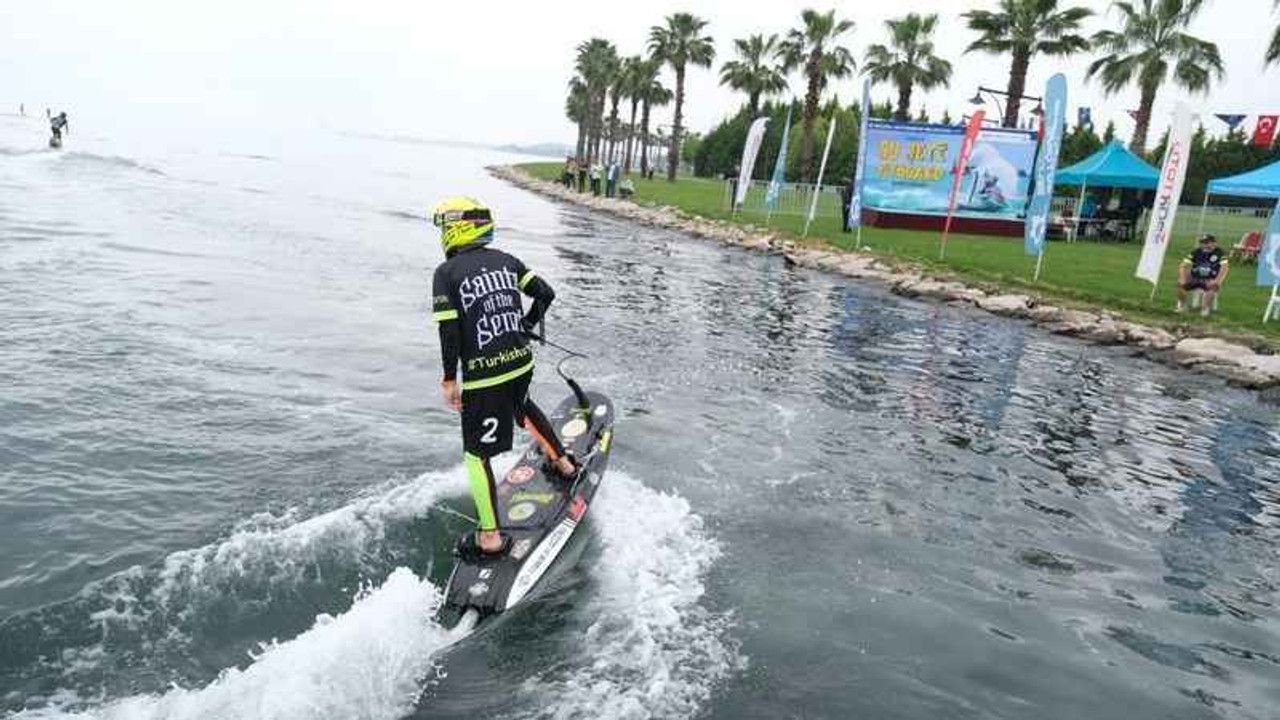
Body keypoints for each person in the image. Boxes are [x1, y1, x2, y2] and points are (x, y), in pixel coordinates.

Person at [430, 196, 579, 556]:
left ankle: (490, 537)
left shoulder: (446, 273)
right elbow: (545, 293)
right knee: (522, 406)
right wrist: (525, 324)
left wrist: (449, 379)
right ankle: (564, 464)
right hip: (520, 361)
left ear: (457, 228)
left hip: (484, 376)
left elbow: (450, 332)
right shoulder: (508, 261)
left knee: (475, 455)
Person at [1176, 234, 1230, 316]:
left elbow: (1224, 268)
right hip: (1195, 277)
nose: (1205, 245)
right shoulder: (1196, 252)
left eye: (1207, 243)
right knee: (1180, 284)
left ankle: (1205, 309)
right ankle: (1182, 306)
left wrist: (1217, 281)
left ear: (1214, 243)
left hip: (1210, 279)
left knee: (1212, 287)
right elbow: (1183, 265)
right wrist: (1183, 278)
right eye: (1203, 243)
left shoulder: (1220, 253)